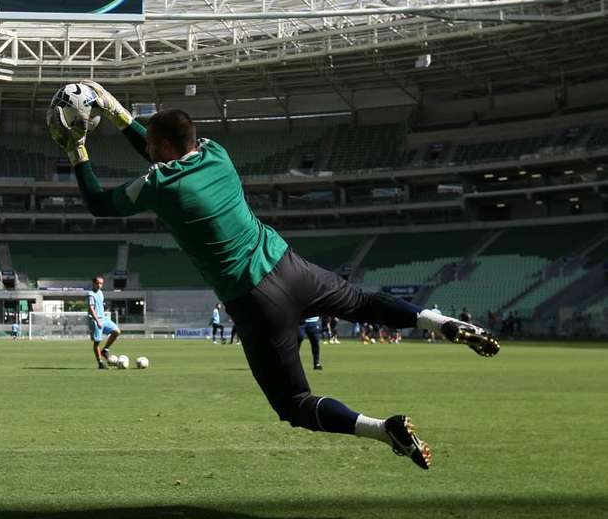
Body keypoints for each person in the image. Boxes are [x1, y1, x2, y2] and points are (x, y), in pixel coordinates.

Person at [50, 81, 500, 469]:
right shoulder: (215, 153)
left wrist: (78, 149)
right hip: (289, 265)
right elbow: (158, 145)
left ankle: (385, 431)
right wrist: (117, 112)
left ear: (164, 150)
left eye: (152, 145)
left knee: (295, 404)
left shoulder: (160, 186)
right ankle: (440, 322)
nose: (146, 149)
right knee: (362, 302)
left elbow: (98, 204)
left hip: (255, 300)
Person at [87, 275, 121, 369]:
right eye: (97, 283)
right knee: (97, 342)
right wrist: (97, 321)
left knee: (116, 331)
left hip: (104, 318)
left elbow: (100, 304)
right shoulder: (91, 294)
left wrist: (104, 308)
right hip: (95, 320)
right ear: (93, 283)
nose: (99, 285)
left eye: (101, 283)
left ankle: (105, 350)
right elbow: (91, 309)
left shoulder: (100, 293)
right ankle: (100, 363)